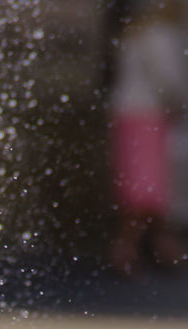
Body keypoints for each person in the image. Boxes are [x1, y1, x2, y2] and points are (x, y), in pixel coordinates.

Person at [108, 0, 187, 274]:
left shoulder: (135, 34)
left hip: (130, 112)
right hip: (149, 114)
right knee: (149, 187)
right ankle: (137, 249)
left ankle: (151, 248)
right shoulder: (158, 35)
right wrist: (177, 103)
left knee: (139, 185)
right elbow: (168, 80)